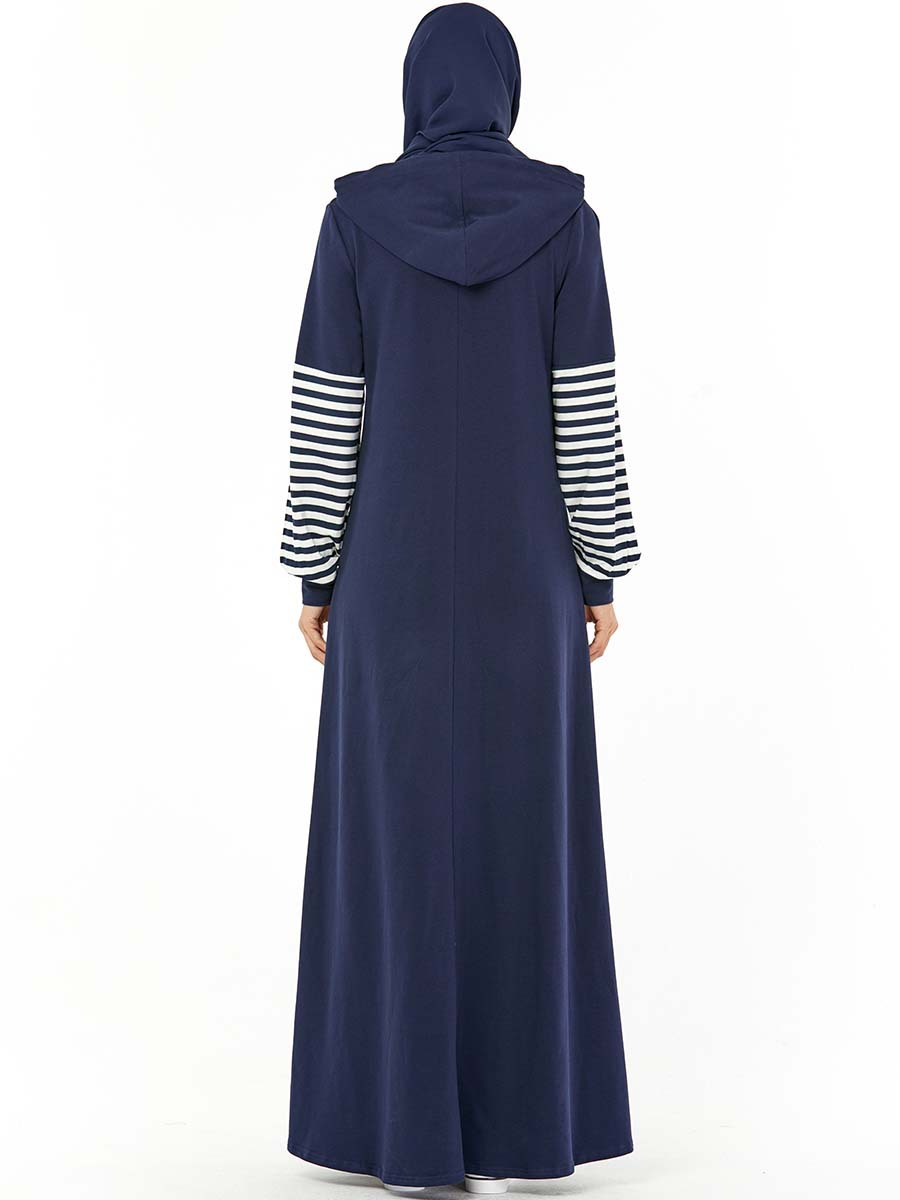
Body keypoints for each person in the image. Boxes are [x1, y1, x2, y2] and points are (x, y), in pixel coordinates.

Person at [280, 5, 640, 1193]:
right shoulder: (564, 218)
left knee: (391, 842)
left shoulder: (355, 218)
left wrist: (316, 570)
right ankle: (515, 1128)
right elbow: (584, 409)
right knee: (522, 842)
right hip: (525, 582)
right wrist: (598, 568)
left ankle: (398, 1130)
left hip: (387, 578)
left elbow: (326, 410)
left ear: (414, 90)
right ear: (504, 90)